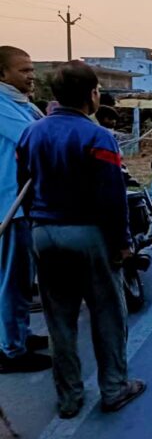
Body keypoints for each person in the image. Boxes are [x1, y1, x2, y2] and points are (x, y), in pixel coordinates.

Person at [16, 61, 145, 418]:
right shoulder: (98, 136)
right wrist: (122, 243)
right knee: (108, 314)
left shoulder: (31, 133)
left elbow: (23, 185)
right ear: (92, 94)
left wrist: (36, 224)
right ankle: (114, 387)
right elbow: (112, 197)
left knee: (59, 321)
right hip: (88, 234)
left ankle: (69, 397)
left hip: (44, 233)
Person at [0, 46, 50, 373]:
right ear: (2, 74)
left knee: (22, 278)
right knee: (13, 280)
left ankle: (20, 334)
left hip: (26, 202)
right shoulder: (2, 105)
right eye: (24, 70)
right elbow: (33, 137)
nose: (31, 76)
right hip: (10, 204)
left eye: (32, 69)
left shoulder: (22, 103)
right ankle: (11, 351)